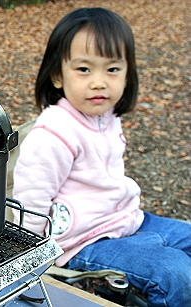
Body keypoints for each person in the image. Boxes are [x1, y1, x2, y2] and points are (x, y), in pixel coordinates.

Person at [12, 7, 191, 307]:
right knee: (174, 274)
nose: (99, 82)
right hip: (83, 242)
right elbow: (30, 203)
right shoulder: (54, 133)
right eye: (84, 69)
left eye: (112, 69)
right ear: (57, 75)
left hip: (126, 221)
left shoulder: (106, 116)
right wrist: (29, 265)